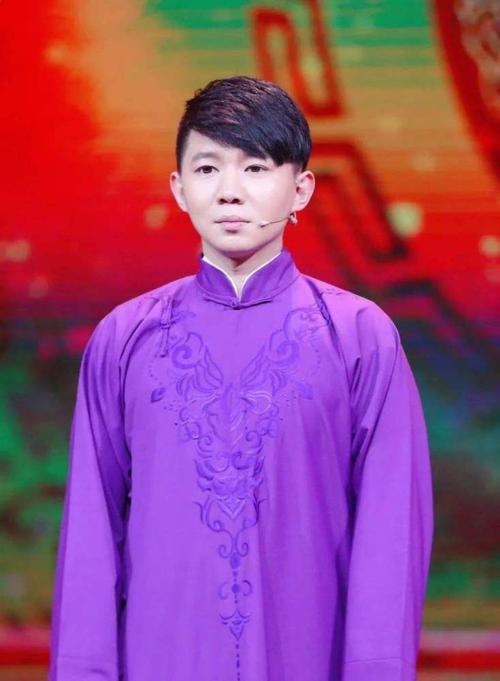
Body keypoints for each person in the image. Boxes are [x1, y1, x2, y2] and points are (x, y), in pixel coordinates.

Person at [48, 75, 434, 681]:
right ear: (179, 188)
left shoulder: (360, 337)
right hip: (160, 659)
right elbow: (91, 537)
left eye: (255, 168)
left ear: (301, 188)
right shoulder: (124, 340)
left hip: (307, 658)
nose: (230, 191)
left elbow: (391, 534)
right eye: (207, 169)